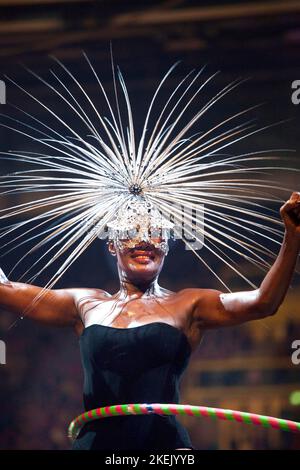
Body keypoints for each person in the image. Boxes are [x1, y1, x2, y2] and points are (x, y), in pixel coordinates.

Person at [0, 191, 299, 450]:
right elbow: (5, 290)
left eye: (155, 233)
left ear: (167, 245)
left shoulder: (189, 304)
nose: (144, 241)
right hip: (96, 444)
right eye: (130, 232)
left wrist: (293, 236)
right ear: (112, 245)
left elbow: (264, 302)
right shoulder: (85, 303)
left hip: (164, 446)